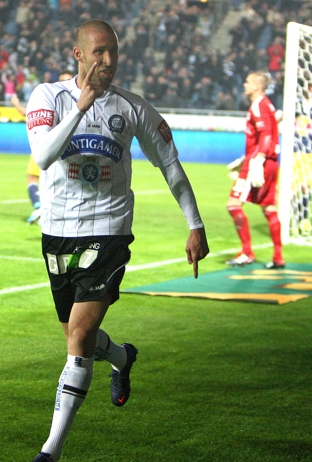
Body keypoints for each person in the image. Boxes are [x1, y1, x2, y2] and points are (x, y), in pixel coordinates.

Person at [25, 20, 209, 462]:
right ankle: (123, 358)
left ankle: (52, 451)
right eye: (100, 52)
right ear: (79, 55)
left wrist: (195, 224)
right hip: (58, 232)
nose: (108, 61)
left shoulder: (132, 108)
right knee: (77, 334)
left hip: (108, 230)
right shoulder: (47, 97)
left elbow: (170, 165)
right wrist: (81, 106)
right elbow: (43, 156)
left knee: (80, 334)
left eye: (114, 52)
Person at [226, 71, 284, 268]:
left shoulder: (258, 105)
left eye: (248, 81)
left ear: (257, 87)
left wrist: (257, 160)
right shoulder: (267, 104)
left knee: (233, 205)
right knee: (269, 208)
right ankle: (278, 256)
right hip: (272, 162)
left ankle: (246, 252)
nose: (244, 84)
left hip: (260, 162)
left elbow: (266, 134)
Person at [11, 68, 76, 225]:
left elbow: (28, 114)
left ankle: (41, 208)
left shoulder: (53, 99)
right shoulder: (76, 100)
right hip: (65, 148)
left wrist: (16, 104)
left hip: (48, 145)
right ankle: (46, 209)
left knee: (34, 177)